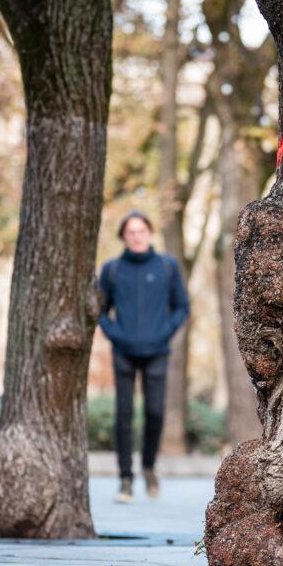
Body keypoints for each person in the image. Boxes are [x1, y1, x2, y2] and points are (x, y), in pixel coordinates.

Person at [97, 210, 190, 503]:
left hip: (157, 351)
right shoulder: (112, 269)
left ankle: (148, 466)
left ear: (150, 233)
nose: (136, 236)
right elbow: (100, 309)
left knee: (155, 413)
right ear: (124, 237)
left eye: (141, 231)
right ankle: (126, 480)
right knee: (123, 416)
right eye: (130, 232)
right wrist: (114, 333)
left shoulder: (167, 266)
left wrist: (165, 332)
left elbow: (182, 307)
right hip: (123, 351)